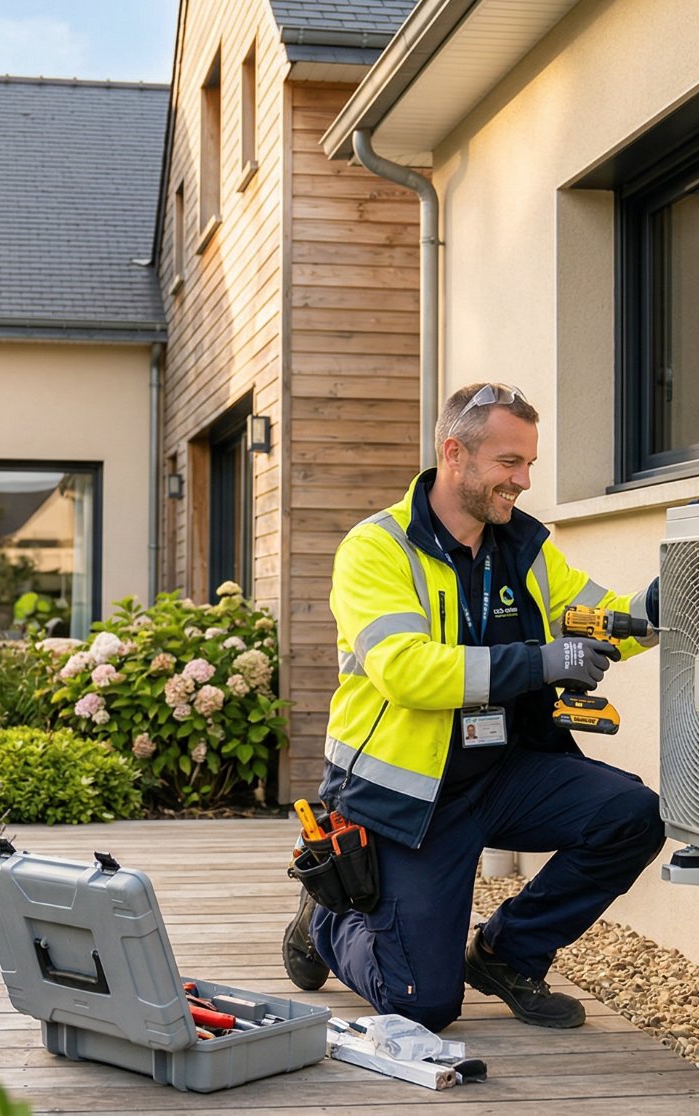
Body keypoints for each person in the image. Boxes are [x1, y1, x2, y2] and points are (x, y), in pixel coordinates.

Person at [283, 381, 665, 1031]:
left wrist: (658, 605)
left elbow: (596, 616)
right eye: (509, 462)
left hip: (501, 772)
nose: (523, 481)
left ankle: (505, 954)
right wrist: (540, 662)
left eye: (530, 464)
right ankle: (327, 919)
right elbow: (406, 671)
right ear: (454, 453)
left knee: (632, 816)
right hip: (409, 795)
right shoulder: (377, 549)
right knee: (421, 1004)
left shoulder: (523, 550)